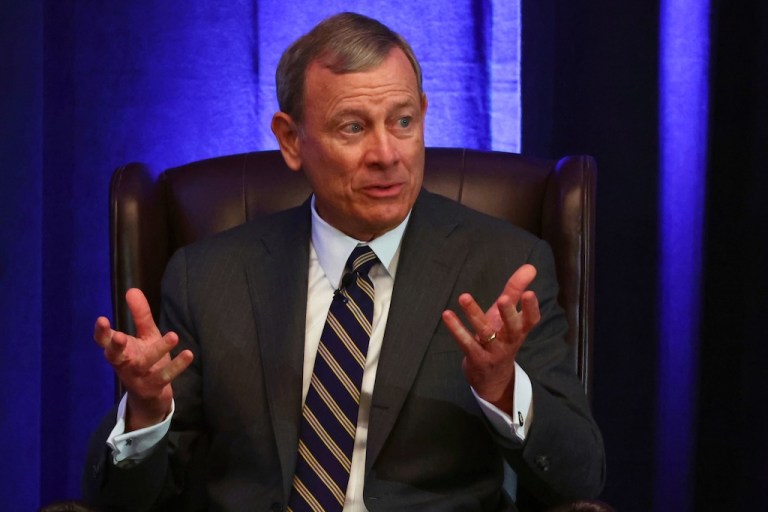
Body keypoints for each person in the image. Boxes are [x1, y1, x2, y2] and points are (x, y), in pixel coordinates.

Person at [84, 12, 604, 511]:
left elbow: (578, 480)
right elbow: (127, 499)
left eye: (403, 121)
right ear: (291, 140)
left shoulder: (506, 267)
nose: (386, 153)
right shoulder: (208, 277)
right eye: (353, 128)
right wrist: (148, 414)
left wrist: (503, 388)